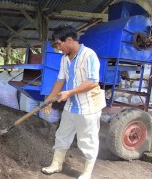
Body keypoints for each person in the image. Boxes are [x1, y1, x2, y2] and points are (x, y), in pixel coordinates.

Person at [41, 25, 106, 179]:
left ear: (69, 40)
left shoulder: (89, 55)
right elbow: (60, 80)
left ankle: (87, 172)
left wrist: (69, 92)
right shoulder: (65, 59)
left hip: (88, 106)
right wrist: (49, 100)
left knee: (87, 140)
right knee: (62, 134)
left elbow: (92, 82)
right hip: (71, 105)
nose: (58, 48)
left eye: (59, 44)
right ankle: (56, 164)